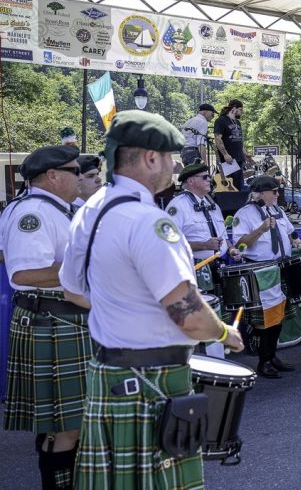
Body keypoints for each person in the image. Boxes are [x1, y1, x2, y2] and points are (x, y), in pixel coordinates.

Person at [59, 110, 243, 490]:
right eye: (171, 157)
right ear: (149, 157)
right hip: (152, 380)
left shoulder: (89, 213)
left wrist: (122, 311)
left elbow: (72, 290)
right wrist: (225, 332)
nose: (176, 166)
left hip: (108, 373)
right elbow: (189, 316)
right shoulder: (149, 221)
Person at [2, 145, 90, 490]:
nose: (81, 177)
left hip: (66, 321)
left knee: (73, 423)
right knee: (63, 427)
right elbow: (24, 273)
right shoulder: (34, 212)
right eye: (75, 171)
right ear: (52, 176)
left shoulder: (61, 210)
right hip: (52, 323)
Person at [233, 175, 301, 377]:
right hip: (260, 270)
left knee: (278, 316)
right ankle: (263, 361)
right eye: (274, 191)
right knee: (266, 318)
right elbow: (240, 244)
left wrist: (296, 240)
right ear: (261, 193)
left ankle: (272, 356)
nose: (277, 194)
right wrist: (261, 228)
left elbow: (290, 231)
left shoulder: (277, 209)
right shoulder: (245, 214)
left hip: (280, 267)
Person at [166, 163, 240, 298]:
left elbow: (221, 236)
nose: (210, 180)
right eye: (205, 177)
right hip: (196, 271)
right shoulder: (177, 206)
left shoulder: (212, 205)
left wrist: (230, 249)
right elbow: (169, 244)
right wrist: (204, 245)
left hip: (219, 268)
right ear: (191, 181)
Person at [213, 99, 248, 190]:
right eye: (240, 109)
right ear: (234, 108)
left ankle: (238, 203)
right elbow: (217, 138)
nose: (241, 112)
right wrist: (225, 154)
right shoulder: (221, 121)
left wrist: (245, 154)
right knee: (230, 187)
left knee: (239, 187)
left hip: (239, 159)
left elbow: (239, 140)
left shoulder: (237, 122)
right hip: (229, 160)